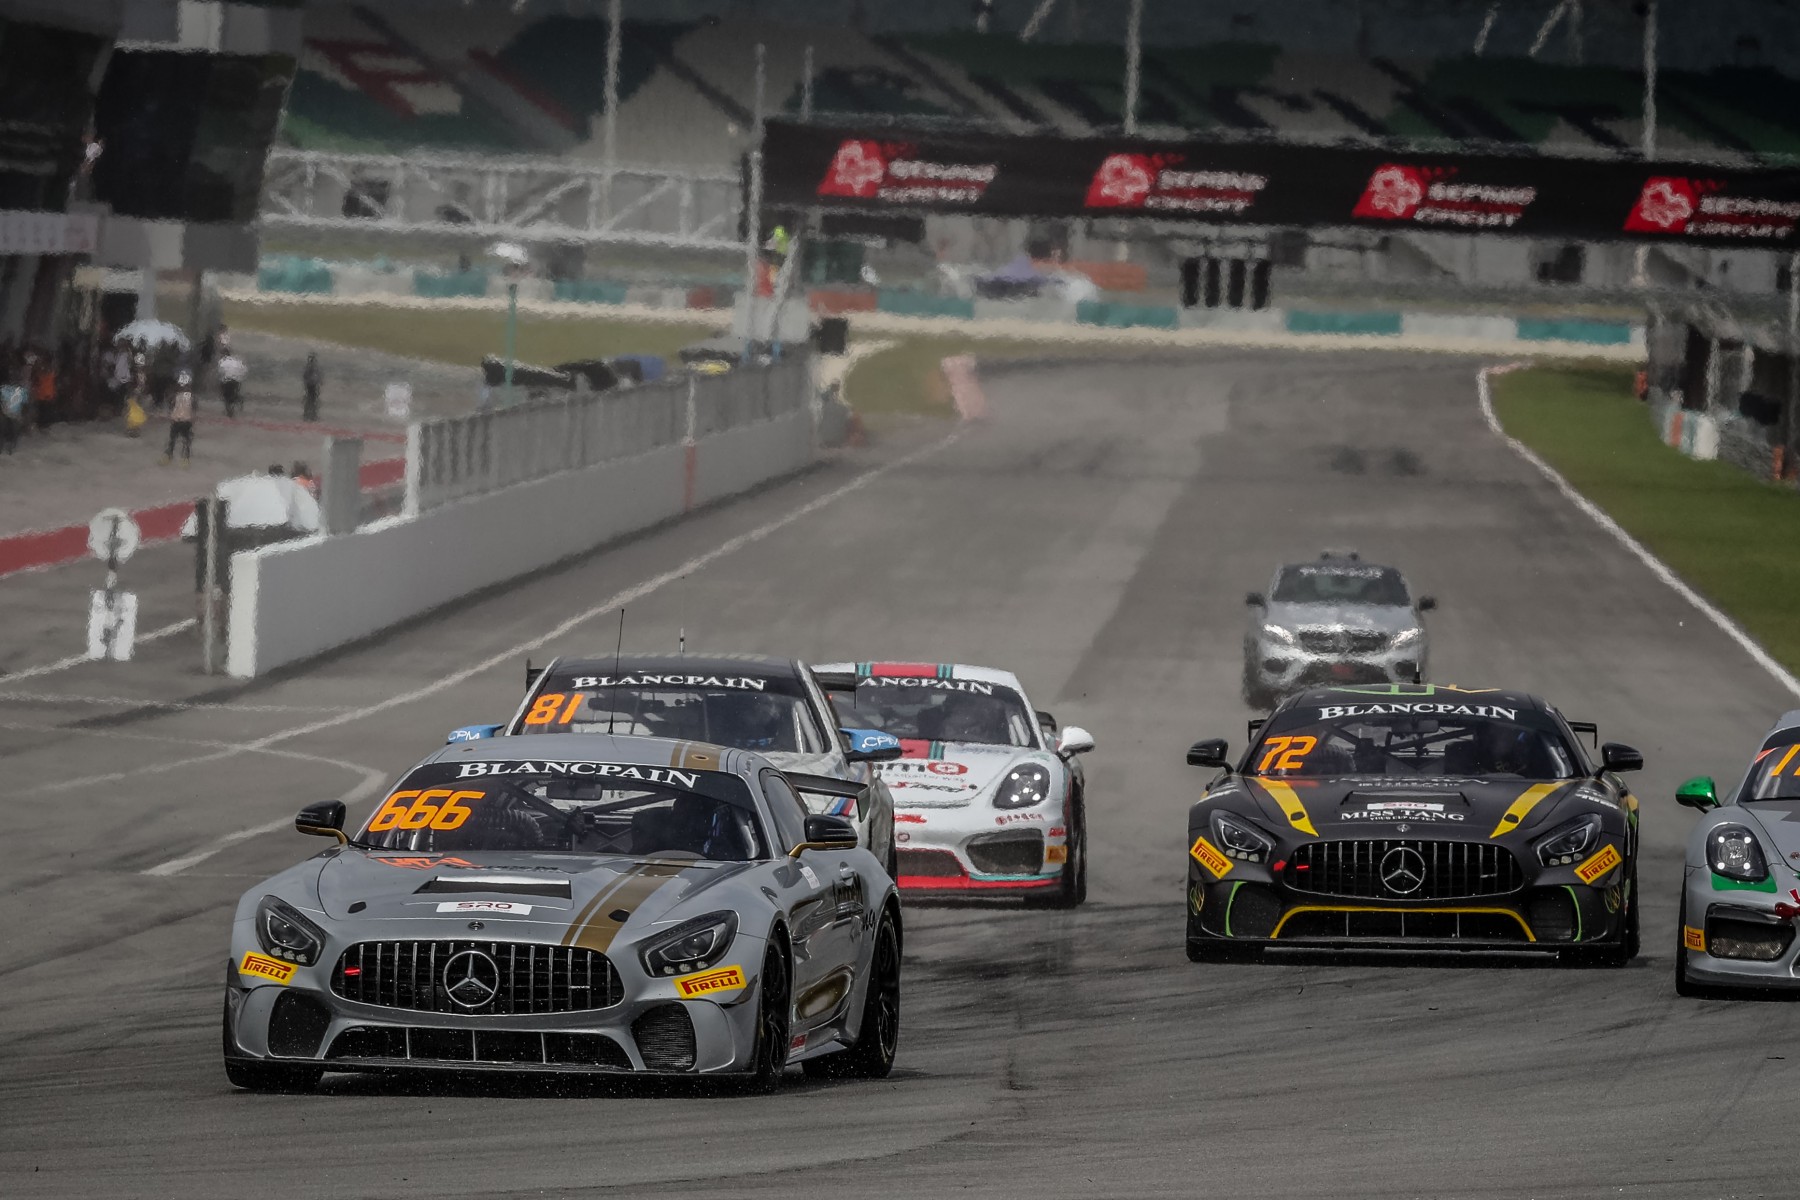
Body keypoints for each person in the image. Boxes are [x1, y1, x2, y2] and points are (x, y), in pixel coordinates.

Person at [162, 370, 195, 467]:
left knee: (173, 439)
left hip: (177, 420)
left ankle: (169, 456)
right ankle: (185, 458)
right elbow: (194, 408)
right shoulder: (191, 396)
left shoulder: (175, 395)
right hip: (186, 420)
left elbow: (170, 404)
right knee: (186, 440)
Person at [217, 349, 246, 417]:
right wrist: (240, 378)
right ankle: (238, 399)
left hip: (227, 380)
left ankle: (229, 411)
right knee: (233, 393)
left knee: (226, 396)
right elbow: (243, 369)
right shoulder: (236, 361)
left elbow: (220, 373)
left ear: (223, 354)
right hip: (236, 380)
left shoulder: (222, 361)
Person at [302, 352, 322, 421]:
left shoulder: (310, 366)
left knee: (311, 400)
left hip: (312, 385)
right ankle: (310, 415)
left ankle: (310, 415)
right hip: (311, 385)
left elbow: (305, 376)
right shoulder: (311, 367)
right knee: (311, 400)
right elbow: (306, 376)